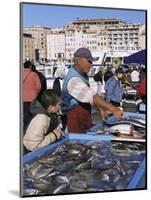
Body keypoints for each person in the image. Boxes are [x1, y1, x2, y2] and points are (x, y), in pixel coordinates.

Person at [61, 47, 123, 133]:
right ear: (79, 61)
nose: (91, 65)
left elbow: (90, 94)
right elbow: (91, 96)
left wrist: (101, 109)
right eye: (89, 61)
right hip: (73, 123)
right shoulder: (73, 80)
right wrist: (113, 109)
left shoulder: (82, 76)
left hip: (83, 120)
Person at [23, 61, 41, 130]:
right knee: (32, 115)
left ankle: (25, 129)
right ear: (30, 66)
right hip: (32, 98)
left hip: (23, 99)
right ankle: (31, 130)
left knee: (25, 115)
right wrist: (35, 93)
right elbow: (39, 86)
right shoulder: (34, 74)